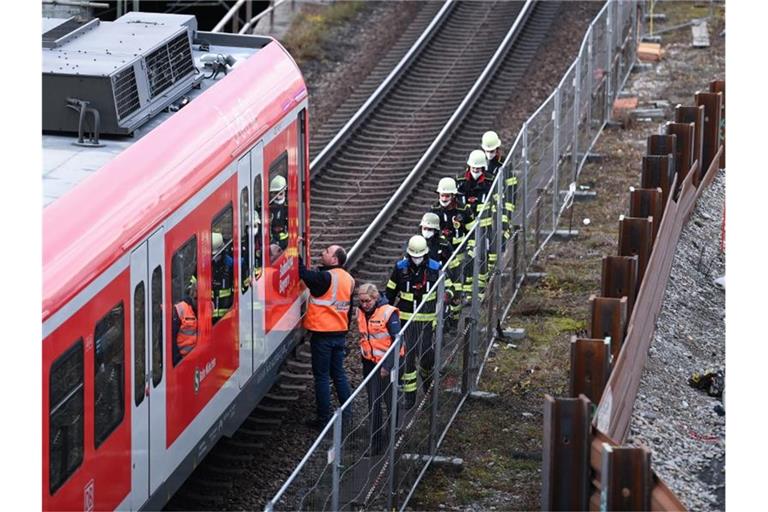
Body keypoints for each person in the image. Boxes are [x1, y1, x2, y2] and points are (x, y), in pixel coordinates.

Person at [300, 244, 355, 430]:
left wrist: (294, 251)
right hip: (339, 334)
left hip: (323, 335)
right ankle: (348, 414)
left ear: (334, 260)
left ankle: (323, 419)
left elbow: (303, 273)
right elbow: (349, 309)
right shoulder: (349, 279)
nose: (322, 253)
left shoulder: (326, 277)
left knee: (322, 377)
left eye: (326, 252)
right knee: (338, 374)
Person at [385, 235, 442, 408]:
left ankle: (427, 381)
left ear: (425, 254)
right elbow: (390, 292)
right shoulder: (400, 268)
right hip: (406, 323)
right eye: (413, 255)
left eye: (419, 255)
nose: (416, 258)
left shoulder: (435, 268)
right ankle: (410, 399)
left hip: (426, 323)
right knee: (407, 359)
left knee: (426, 357)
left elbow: (443, 291)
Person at [357, 283, 402, 456]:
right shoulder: (360, 312)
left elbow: (398, 341)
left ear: (375, 298)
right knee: (374, 403)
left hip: (388, 363)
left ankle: (392, 437)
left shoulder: (388, 313)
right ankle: (375, 444)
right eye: (361, 301)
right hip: (370, 363)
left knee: (390, 401)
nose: (364, 304)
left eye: (367, 301)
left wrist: (387, 366)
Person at [172, 276, 198, 366]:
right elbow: (170, 339)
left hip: (194, 360)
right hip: (182, 361)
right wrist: (178, 361)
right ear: (194, 294)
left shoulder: (200, 310)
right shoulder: (181, 309)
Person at [211, 232, 234, 323]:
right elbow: (194, 281)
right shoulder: (204, 264)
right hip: (209, 315)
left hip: (226, 313)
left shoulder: (230, 264)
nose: (214, 258)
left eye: (216, 255)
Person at [269, 175, 289, 250]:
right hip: (272, 241)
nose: (277, 197)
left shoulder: (289, 205)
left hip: (287, 240)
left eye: (280, 194)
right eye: (274, 194)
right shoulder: (266, 206)